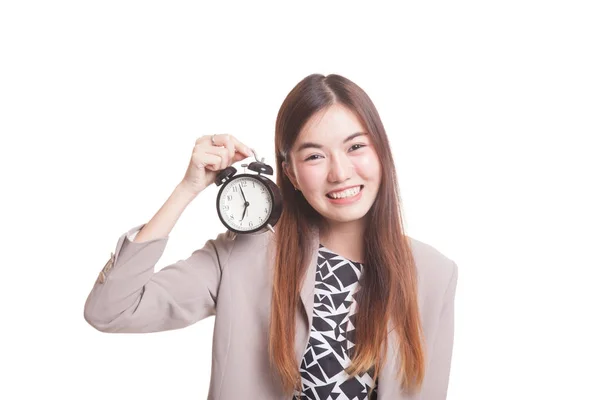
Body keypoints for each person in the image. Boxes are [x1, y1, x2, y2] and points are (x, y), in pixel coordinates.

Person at [84, 73, 459, 400]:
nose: (340, 172)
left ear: (382, 151)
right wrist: (187, 188)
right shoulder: (242, 257)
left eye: (356, 146)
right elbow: (111, 310)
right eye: (315, 157)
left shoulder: (434, 274)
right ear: (291, 174)